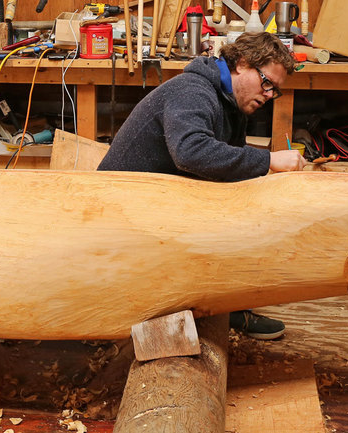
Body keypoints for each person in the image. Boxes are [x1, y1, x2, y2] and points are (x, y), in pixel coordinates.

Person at [97, 31, 305, 340]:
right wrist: (269, 160)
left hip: (156, 206)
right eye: (267, 83)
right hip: (115, 218)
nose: (269, 95)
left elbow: (231, 171)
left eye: (276, 90)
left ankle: (225, 305)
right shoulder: (192, 91)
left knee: (236, 212)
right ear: (243, 64)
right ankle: (210, 307)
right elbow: (190, 152)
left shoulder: (233, 107)